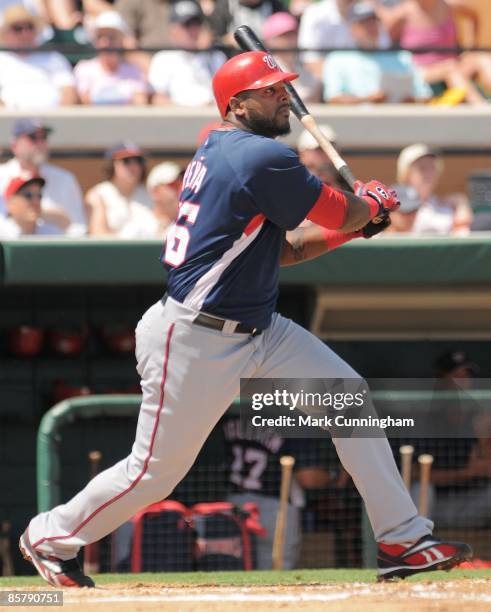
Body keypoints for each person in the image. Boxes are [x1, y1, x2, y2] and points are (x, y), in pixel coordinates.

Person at [19, 50, 471, 588]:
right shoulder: (257, 158)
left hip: (260, 327)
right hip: (194, 335)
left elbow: (284, 250)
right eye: (269, 89)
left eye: (283, 87)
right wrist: (366, 205)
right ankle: (51, 535)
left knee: (348, 398)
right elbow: (338, 210)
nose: (283, 96)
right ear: (238, 104)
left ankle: (402, 538)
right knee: (154, 474)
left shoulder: (229, 150)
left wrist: (355, 224)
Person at [222, 413, 335, 569]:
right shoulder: (291, 415)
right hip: (275, 509)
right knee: (274, 576)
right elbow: (307, 477)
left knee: (233, 570)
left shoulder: (229, 410)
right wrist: (335, 477)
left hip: (231, 507)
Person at [372, 0, 489, 105]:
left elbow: (473, 16)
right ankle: (481, 109)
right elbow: (386, 41)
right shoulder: (402, 14)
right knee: (450, 68)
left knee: (482, 59)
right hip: (421, 71)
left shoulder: (449, 5)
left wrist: (470, 48)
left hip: (453, 65)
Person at [323, 2, 432, 104]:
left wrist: (410, 101)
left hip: (400, 120)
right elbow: (333, 99)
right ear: (352, 29)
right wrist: (368, 100)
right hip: (358, 122)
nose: (370, 28)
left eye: (373, 23)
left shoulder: (403, 58)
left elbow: (425, 95)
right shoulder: (337, 59)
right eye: (364, 24)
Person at [0, 118, 87, 236]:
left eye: (44, 138)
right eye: (33, 138)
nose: (40, 143)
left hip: (54, 251)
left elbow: (80, 230)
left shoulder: (65, 179)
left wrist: (63, 221)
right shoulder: (2, 175)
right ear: (15, 145)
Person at [148, 1, 226, 107]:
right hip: (180, 118)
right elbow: (157, 98)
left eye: (196, 23)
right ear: (173, 29)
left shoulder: (216, 56)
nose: (193, 29)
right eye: (187, 24)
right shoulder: (163, 58)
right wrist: (191, 110)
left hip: (214, 116)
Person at [0, 4, 78, 109]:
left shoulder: (54, 58)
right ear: (5, 33)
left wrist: (58, 120)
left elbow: (69, 91)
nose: (25, 33)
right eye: (17, 28)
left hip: (53, 121)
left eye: (29, 27)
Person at [298, 0, 390, 79]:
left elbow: (382, 51)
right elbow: (310, 60)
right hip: (321, 82)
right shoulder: (314, 13)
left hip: (362, 80)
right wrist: (338, 82)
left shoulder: (367, 11)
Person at [74, 10, 149, 105]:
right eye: (100, 37)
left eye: (111, 37)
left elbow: (141, 102)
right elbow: (84, 100)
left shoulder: (134, 70)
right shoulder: (84, 68)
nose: (105, 43)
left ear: (121, 40)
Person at [396, 143, 472, 234]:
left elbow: (462, 234)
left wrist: (461, 205)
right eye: (422, 168)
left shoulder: (448, 204)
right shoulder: (393, 205)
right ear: (406, 173)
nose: (428, 173)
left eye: (432, 167)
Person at [85, 141, 156, 238]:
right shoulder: (98, 194)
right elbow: (98, 235)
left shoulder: (151, 194)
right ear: (112, 164)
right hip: (112, 252)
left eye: (138, 160)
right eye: (126, 161)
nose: (133, 166)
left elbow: (163, 228)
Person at [262, 12, 320, 103]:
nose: (289, 40)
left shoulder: (305, 68)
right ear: (269, 41)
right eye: (283, 36)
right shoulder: (267, 69)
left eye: (292, 35)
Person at [297, 124, 346, 190]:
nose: (328, 153)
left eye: (331, 148)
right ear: (303, 154)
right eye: (320, 149)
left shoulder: (351, 190)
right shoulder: (290, 188)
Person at [146, 161, 181, 241]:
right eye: (174, 185)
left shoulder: (191, 226)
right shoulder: (138, 225)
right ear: (155, 192)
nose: (181, 189)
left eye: (183, 183)